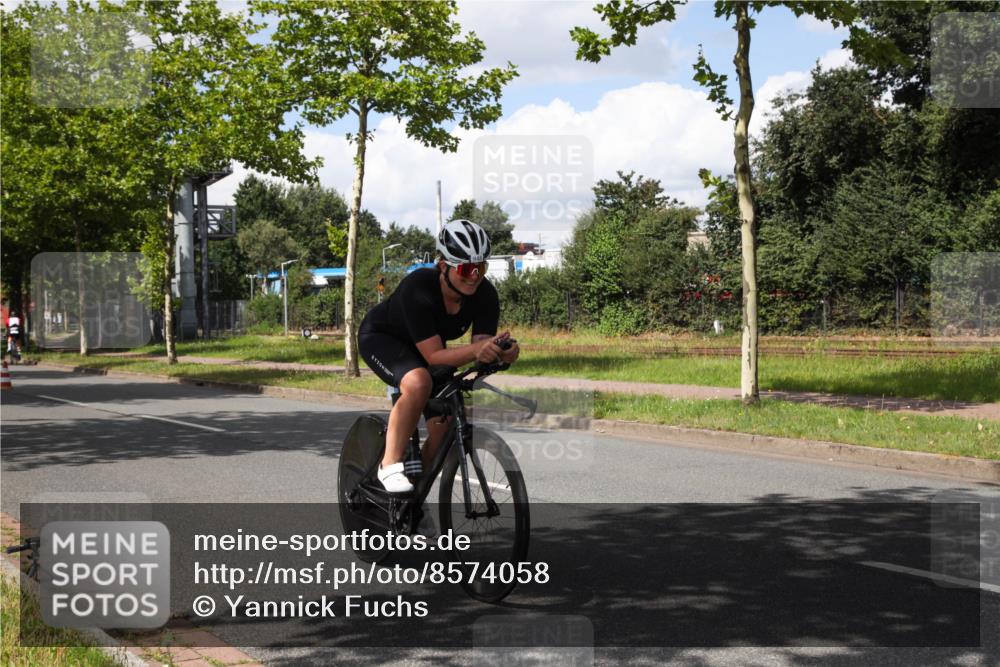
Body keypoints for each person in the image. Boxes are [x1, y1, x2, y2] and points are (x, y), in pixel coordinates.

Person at [358, 219, 520, 493]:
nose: (474, 276)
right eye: (466, 268)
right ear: (443, 266)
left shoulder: (485, 294)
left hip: (427, 347)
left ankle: (414, 500)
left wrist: (503, 352)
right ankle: (389, 464)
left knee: (445, 426)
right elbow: (434, 357)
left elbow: (480, 348)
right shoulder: (419, 288)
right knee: (419, 382)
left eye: (480, 268)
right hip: (383, 339)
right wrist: (478, 350)